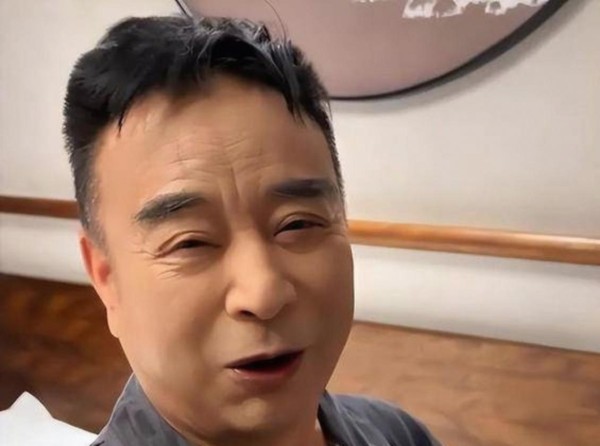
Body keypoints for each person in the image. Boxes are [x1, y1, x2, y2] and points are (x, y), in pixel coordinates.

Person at [62, 14, 441, 446]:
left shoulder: (398, 434)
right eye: (190, 242)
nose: (263, 293)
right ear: (107, 278)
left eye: (297, 223)